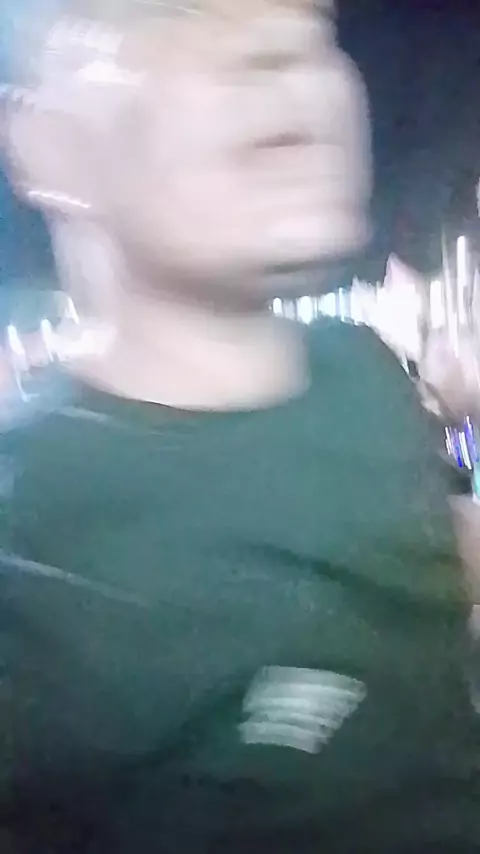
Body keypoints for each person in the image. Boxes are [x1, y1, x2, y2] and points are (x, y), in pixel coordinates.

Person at [0, 1, 478, 851]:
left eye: (313, 29)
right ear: (46, 144)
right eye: (183, 16)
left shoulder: (361, 370)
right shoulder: (26, 539)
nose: (279, 50)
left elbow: (415, 549)